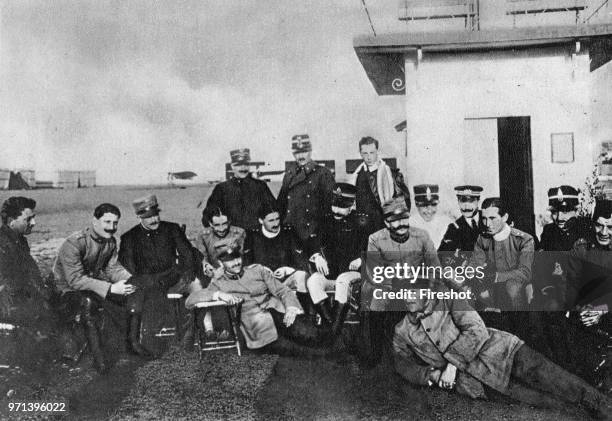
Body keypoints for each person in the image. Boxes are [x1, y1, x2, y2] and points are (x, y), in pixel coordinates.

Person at [392, 279, 612, 420]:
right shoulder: (402, 330)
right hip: (479, 382)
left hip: (504, 351)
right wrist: (431, 375)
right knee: (549, 404)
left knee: (561, 381)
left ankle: (603, 405)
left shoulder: (448, 301)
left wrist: (451, 365)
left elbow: (476, 329)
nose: (408, 297)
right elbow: (401, 363)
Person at [53, 203, 152, 373]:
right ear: (95, 221)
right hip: (64, 292)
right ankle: (99, 359)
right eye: (107, 222)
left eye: (115, 223)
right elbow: (75, 280)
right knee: (89, 302)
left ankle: (133, 343)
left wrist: (132, 280)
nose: (111, 227)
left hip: (90, 287)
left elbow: (112, 269)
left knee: (135, 291)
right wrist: (110, 289)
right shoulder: (75, 243)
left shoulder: (110, 242)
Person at [185, 247, 330, 357]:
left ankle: (335, 345)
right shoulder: (218, 283)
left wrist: (291, 307)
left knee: (312, 335)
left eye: (237, 258)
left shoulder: (257, 271)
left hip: (280, 313)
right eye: (230, 260)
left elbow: (282, 290)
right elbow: (190, 301)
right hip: (258, 326)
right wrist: (218, 294)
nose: (236, 263)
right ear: (221, 264)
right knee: (298, 351)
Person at [360, 196, 440, 366]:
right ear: (387, 223)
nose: (402, 224)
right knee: (377, 301)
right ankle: (375, 353)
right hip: (388, 286)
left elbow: (434, 267)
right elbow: (375, 272)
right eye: (395, 221)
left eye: (404, 218)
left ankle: (423, 352)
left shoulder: (422, 236)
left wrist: (431, 291)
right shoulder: (375, 239)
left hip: (417, 286)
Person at [119, 194, 200, 348]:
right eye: (148, 216)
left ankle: (191, 336)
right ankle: (147, 340)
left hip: (173, 278)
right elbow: (129, 267)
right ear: (139, 216)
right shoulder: (129, 237)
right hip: (148, 284)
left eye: (156, 214)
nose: (154, 220)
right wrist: (147, 281)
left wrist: (187, 270)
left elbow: (187, 253)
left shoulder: (172, 229)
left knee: (195, 286)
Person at [0, 197, 58, 368]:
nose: (34, 222)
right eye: (28, 219)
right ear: (11, 220)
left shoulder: (19, 240)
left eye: (34, 217)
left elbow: (29, 272)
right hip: (8, 301)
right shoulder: (2, 242)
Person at [306, 182, 369, 335]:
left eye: (341, 206)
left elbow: (374, 247)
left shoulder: (362, 222)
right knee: (313, 281)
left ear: (352, 205)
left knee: (342, 281)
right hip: (331, 273)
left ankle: (332, 333)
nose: (336, 210)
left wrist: (362, 259)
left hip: (353, 274)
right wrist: (317, 256)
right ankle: (331, 326)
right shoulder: (326, 220)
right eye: (334, 205)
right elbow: (312, 240)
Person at [466, 197, 534, 337]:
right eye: (484, 218)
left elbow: (525, 272)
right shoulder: (482, 239)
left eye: (492, 218)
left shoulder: (524, 239)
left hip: (516, 292)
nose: (487, 224)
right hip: (490, 288)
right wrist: (469, 273)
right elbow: (475, 264)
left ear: (505, 217)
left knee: (512, 288)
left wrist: (496, 277)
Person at [565, 198, 612, 390]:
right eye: (599, 226)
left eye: (610, 227)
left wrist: (602, 310)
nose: (603, 232)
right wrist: (583, 309)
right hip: (586, 311)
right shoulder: (582, 247)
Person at [243, 203, 311, 314]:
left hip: (287, 279)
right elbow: (246, 263)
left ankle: (303, 313)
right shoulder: (252, 235)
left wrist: (287, 270)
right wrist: (261, 270)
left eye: (277, 219)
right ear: (261, 221)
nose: (276, 223)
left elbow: (300, 259)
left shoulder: (288, 232)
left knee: (302, 276)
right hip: (264, 283)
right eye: (271, 220)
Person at [277, 134, 335, 244]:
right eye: (297, 153)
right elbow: (281, 204)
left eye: (304, 151)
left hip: (313, 235)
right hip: (291, 234)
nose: (300, 156)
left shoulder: (322, 173)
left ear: (310, 151)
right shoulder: (289, 175)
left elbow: (330, 208)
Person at [203, 148, 276, 230]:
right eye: (239, 164)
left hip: (256, 237)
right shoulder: (221, 188)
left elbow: (272, 211)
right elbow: (208, 216)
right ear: (232, 166)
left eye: (246, 164)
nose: (243, 168)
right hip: (233, 239)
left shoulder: (260, 186)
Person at [351, 136, 410, 234]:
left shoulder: (391, 175)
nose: (369, 157)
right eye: (365, 153)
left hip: (383, 225)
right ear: (360, 153)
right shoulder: (357, 175)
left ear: (377, 151)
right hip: (362, 228)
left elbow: (405, 203)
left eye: (372, 152)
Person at [438, 185, 484, 263]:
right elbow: (442, 255)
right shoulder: (454, 228)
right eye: (462, 201)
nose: (466, 206)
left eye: (471, 201)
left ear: (478, 201)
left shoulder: (488, 218)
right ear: (458, 202)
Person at [408, 184, 452, 249]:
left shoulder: (446, 222)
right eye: (424, 205)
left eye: (434, 204)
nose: (429, 211)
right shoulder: (409, 223)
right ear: (416, 204)